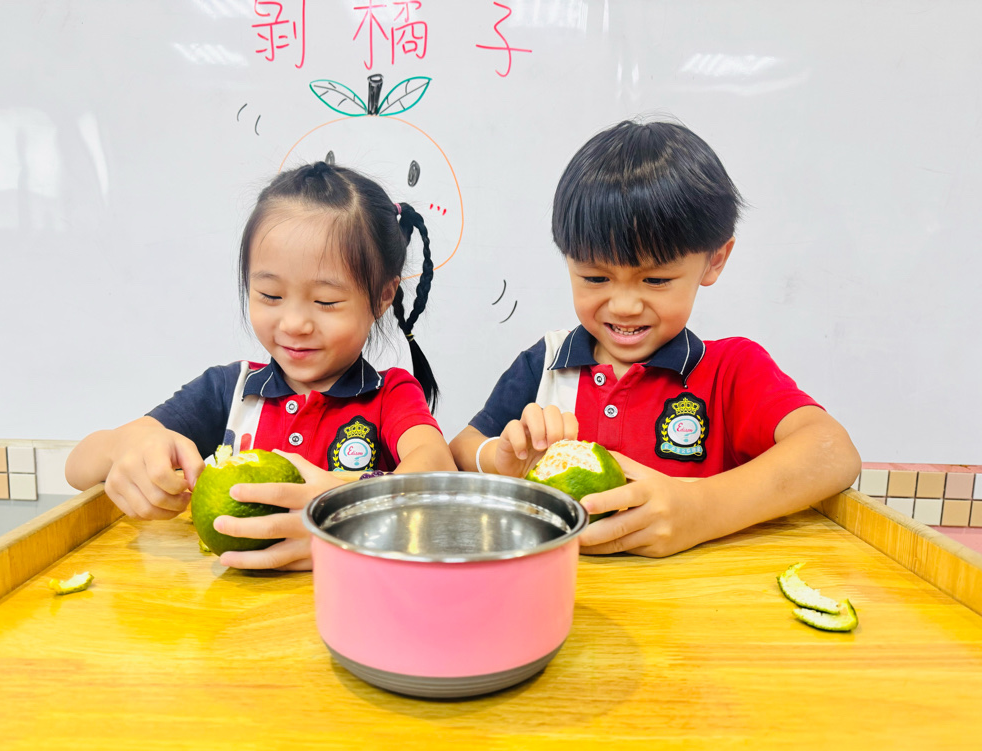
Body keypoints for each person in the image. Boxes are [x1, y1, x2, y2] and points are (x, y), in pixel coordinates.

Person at [449, 119, 861, 558]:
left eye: (656, 280)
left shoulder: (731, 371)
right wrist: (501, 460)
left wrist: (700, 509)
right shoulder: (545, 362)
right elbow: (461, 448)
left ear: (714, 260)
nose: (624, 305)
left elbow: (832, 452)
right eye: (595, 277)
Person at [66, 162, 456, 570]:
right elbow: (79, 468)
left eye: (326, 302)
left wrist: (345, 512)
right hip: (232, 602)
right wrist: (125, 448)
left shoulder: (390, 395)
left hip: (348, 595)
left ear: (382, 297)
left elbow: (435, 468)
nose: (294, 324)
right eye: (270, 295)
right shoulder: (229, 389)